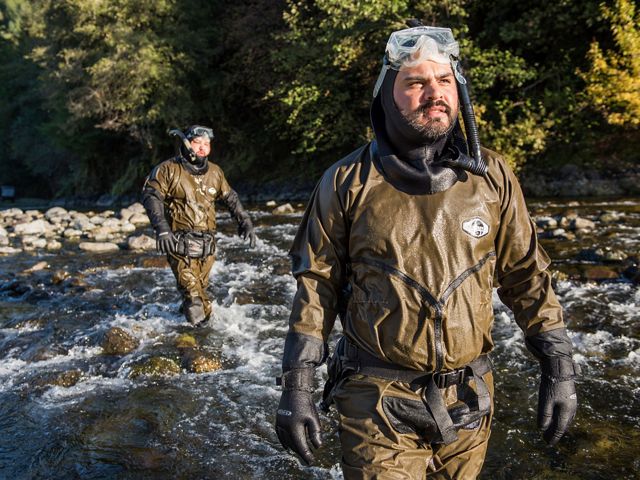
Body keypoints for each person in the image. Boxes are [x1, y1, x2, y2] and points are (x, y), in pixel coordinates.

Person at [275, 24, 579, 478]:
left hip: (471, 399)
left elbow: (526, 276)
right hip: (376, 400)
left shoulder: (493, 176)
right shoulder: (345, 182)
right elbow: (316, 288)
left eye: (444, 81)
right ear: (386, 96)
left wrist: (559, 367)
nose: (433, 93)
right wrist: (298, 386)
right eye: (415, 83)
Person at [142, 125, 257, 326]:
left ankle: (181, 327)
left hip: (207, 245)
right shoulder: (168, 169)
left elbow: (230, 198)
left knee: (200, 292)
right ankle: (198, 343)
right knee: (193, 295)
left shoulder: (215, 172)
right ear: (186, 143)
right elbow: (151, 196)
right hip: (178, 242)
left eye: (207, 143)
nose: (203, 147)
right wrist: (161, 229)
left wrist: (244, 221)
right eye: (198, 143)